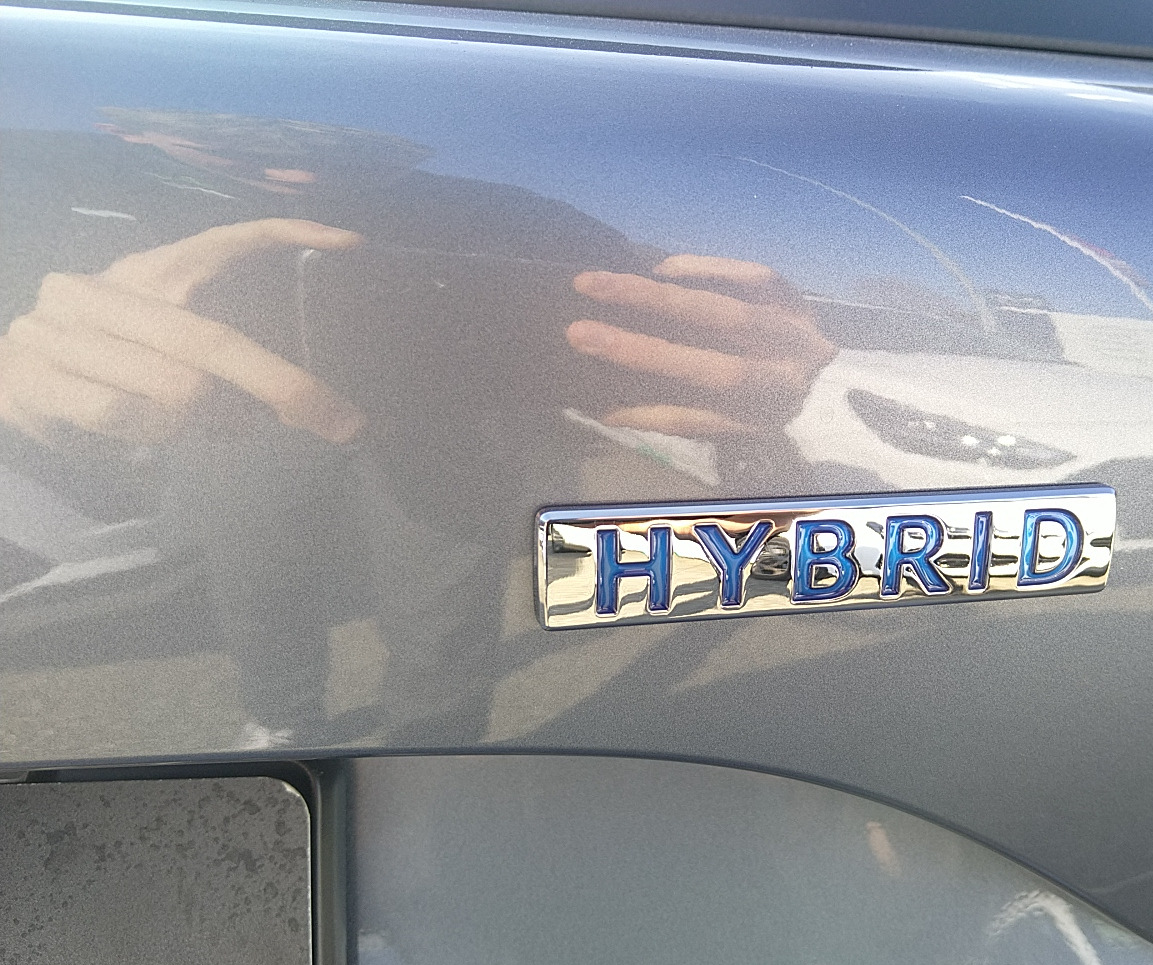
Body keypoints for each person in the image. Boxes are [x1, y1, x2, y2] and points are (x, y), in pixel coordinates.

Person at [0, 110, 837, 743]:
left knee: (442, 609)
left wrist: (757, 349)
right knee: (256, 581)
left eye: (330, 137)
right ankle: (280, 719)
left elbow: (654, 300)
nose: (293, 165)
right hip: (236, 420)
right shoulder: (68, 184)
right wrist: (26, 386)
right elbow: (30, 331)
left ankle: (431, 750)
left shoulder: (508, 207)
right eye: (239, 138)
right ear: (144, 126)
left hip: (456, 427)